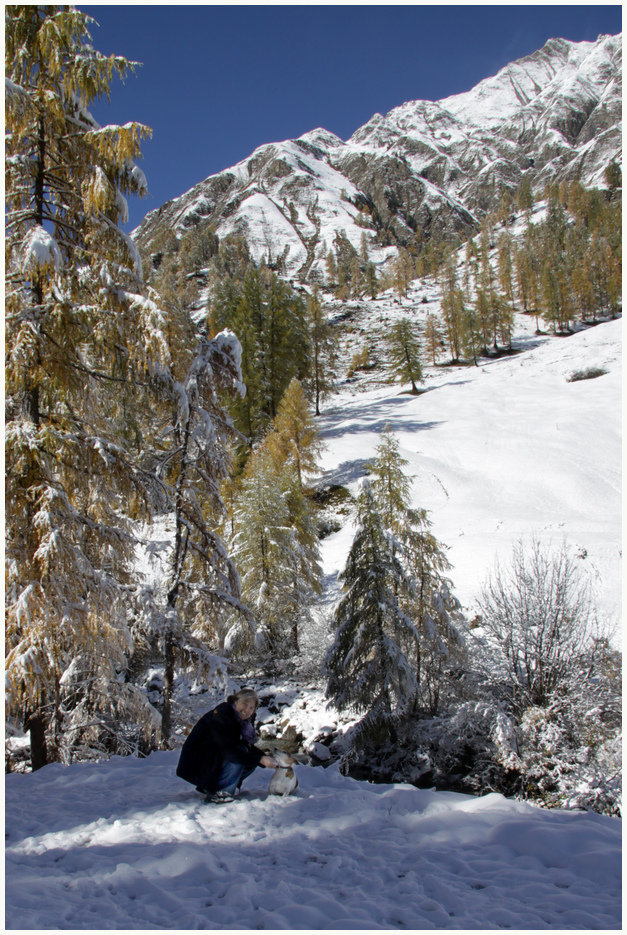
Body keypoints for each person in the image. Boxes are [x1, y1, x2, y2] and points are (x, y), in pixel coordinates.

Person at [176, 688, 278, 803]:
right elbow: (230, 751)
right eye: (244, 704)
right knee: (241, 753)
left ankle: (215, 786)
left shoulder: (242, 721)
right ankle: (221, 792)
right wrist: (260, 759)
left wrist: (265, 758)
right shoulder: (222, 716)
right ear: (236, 701)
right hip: (196, 765)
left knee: (249, 757)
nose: (247, 710)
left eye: (251, 708)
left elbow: (245, 745)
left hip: (211, 762)